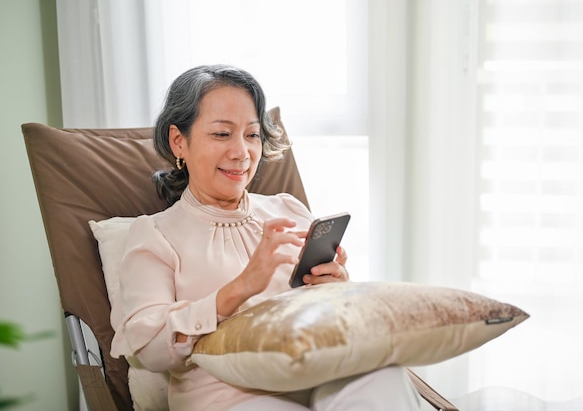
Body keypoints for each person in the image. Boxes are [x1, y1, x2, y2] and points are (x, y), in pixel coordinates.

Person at [110, 64, 422, 411]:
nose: (242, 152)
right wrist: (240, 288)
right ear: (178, 141)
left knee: (384, 377)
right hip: (230, 398)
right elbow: (148, 348)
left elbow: (342, 320)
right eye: (222, 134)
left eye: (252, 134)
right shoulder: (154, 235)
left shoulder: (287, 208)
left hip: (318, 379)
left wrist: (337, 286)